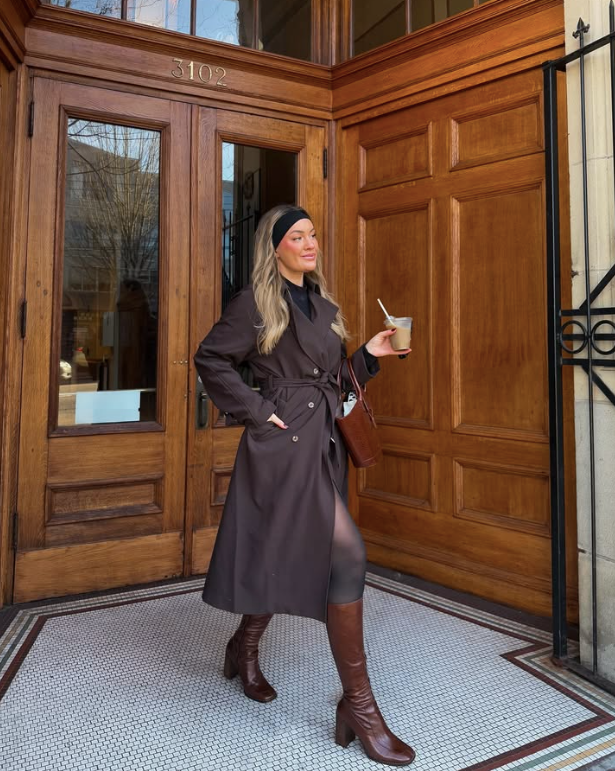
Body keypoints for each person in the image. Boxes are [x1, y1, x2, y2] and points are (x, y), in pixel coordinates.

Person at [194, 204, 415, 766]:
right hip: (283, 445)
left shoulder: (324, 304)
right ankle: (360, 707)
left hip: (324, 445)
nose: (310, 243)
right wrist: (256, 409)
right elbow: (211, 358)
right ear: (275, 248)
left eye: (314, 234)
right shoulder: (254, 305)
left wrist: (371, 354)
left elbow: (336, 383)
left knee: (284, 549)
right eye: (298, 236)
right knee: (348, 556)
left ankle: (242, 647)